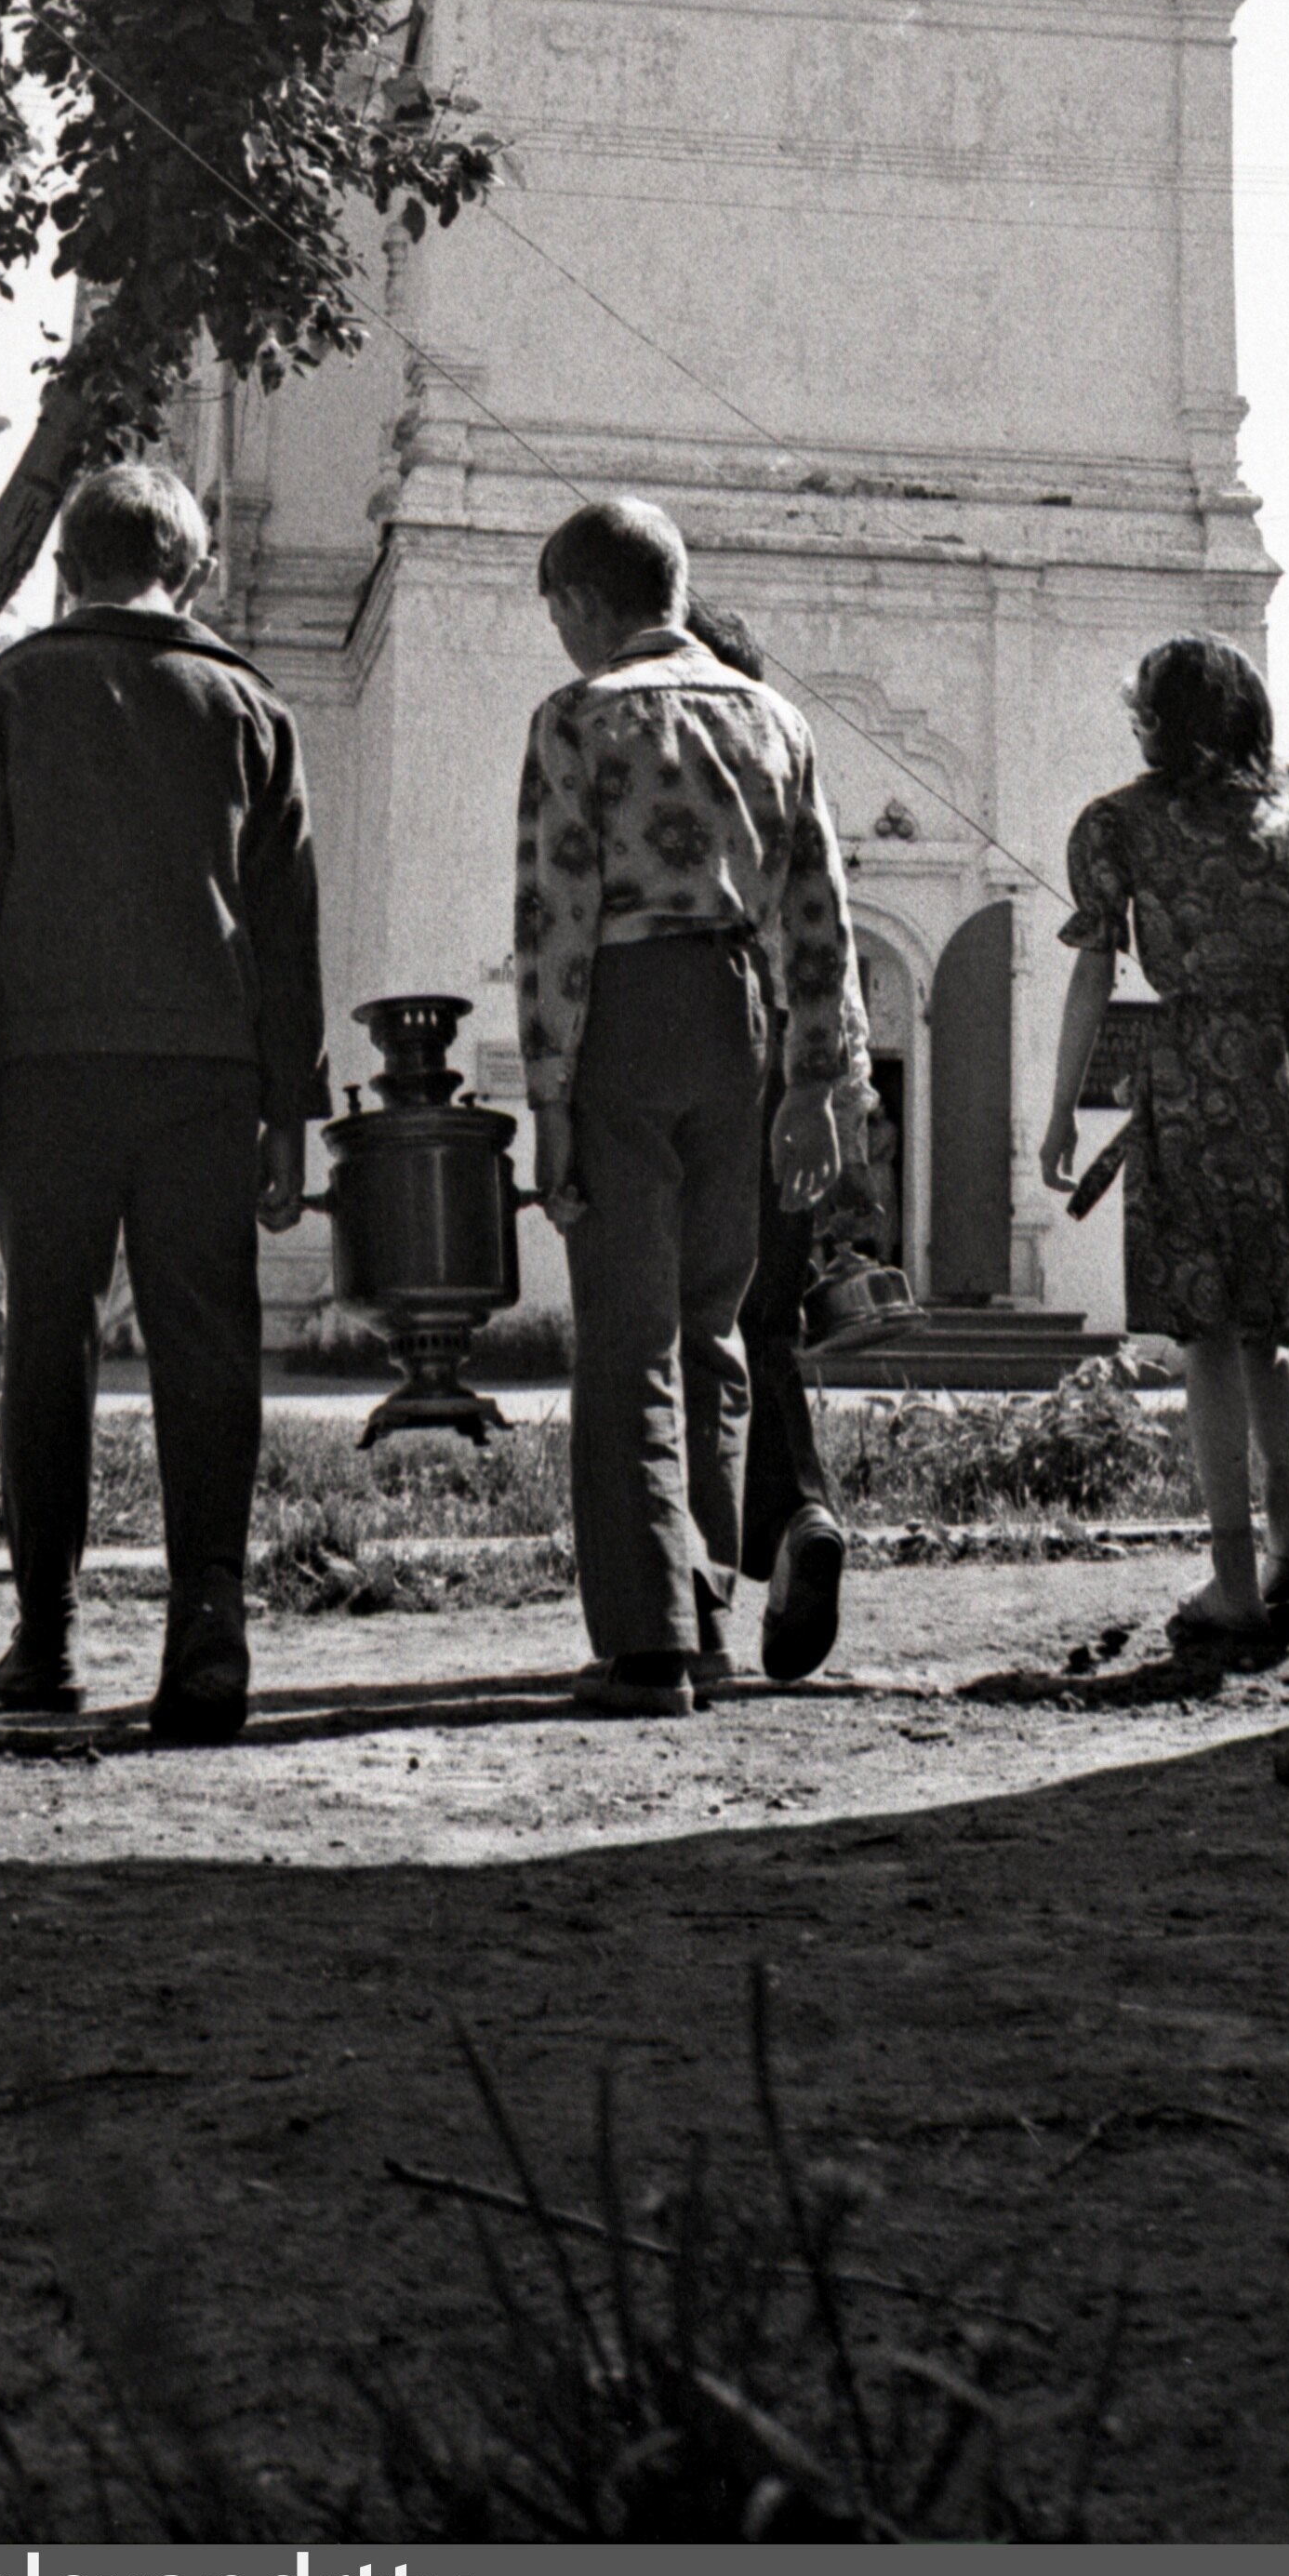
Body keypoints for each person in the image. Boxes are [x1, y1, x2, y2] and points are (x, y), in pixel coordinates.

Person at [0, 459, 319, 1746]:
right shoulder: (248, 703)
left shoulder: (9, 691)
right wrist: (287, 1112)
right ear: (190, 572)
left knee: (48, 1343)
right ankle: (208, 1630)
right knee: (207, 1348)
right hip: (206, 1073)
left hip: (49, 1065)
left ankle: (44, 1638)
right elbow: (286, 924)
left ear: (65, 568)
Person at [512, 498, 864, 1715]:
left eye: (557, 613)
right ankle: (705, 1617)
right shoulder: (773, 719)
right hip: (742, 1020)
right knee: (711, 1327)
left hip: (621, 1010)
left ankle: (646, 1638)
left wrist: (549, 1097)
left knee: (626, 1334)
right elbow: (818, 914)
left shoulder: (577, 717)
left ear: (582, 601)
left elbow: (554, 916)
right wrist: (815, 1080)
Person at [1035, 633, 1289, 1665]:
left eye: (1142, 707)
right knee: (1262, 1320)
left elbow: (1093, 972)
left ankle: (1232, 1581)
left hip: (1191, 1076)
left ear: (1165, 721)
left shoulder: (1120, 825)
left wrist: (1061, 1109)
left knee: (1208, 1330)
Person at [681, 599, 862, 1688]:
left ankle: (690, 1601)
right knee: (765, 1322)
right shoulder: (785, 761)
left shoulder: (641, 752)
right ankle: (798, 1514)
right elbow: (825, 933)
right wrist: (831, 1090)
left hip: (682, 1060)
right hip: (792, 1073)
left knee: (679, 1330)